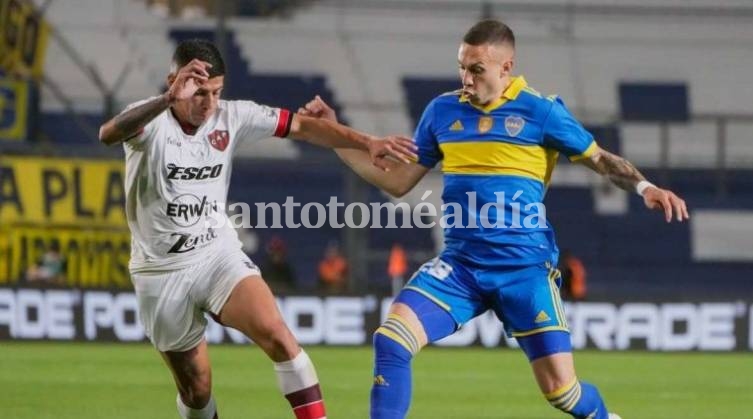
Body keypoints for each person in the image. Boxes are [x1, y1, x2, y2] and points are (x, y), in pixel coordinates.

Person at [299, 19, 689, 419]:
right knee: (391, 340)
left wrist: (646, 188)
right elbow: (397, 180)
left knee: (563, 394)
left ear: (507, 68)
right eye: (462, 67)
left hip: (523, 271)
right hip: (462, 267)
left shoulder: (541, 112)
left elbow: (602, 159)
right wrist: (333, 134)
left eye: (477, 70)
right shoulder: (442, 111)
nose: (466, 79)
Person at [98, 39, 416, 419]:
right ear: (175, 81)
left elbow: (304, 127)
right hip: (159, 271)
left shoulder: (232, 117)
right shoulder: (149, 121)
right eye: (199, 92)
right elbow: (108, 134)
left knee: (281, 338)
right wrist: (166, 99)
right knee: (197, 391)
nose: (209, 102)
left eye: (216, 92)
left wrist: (369, 141)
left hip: (216, 254)